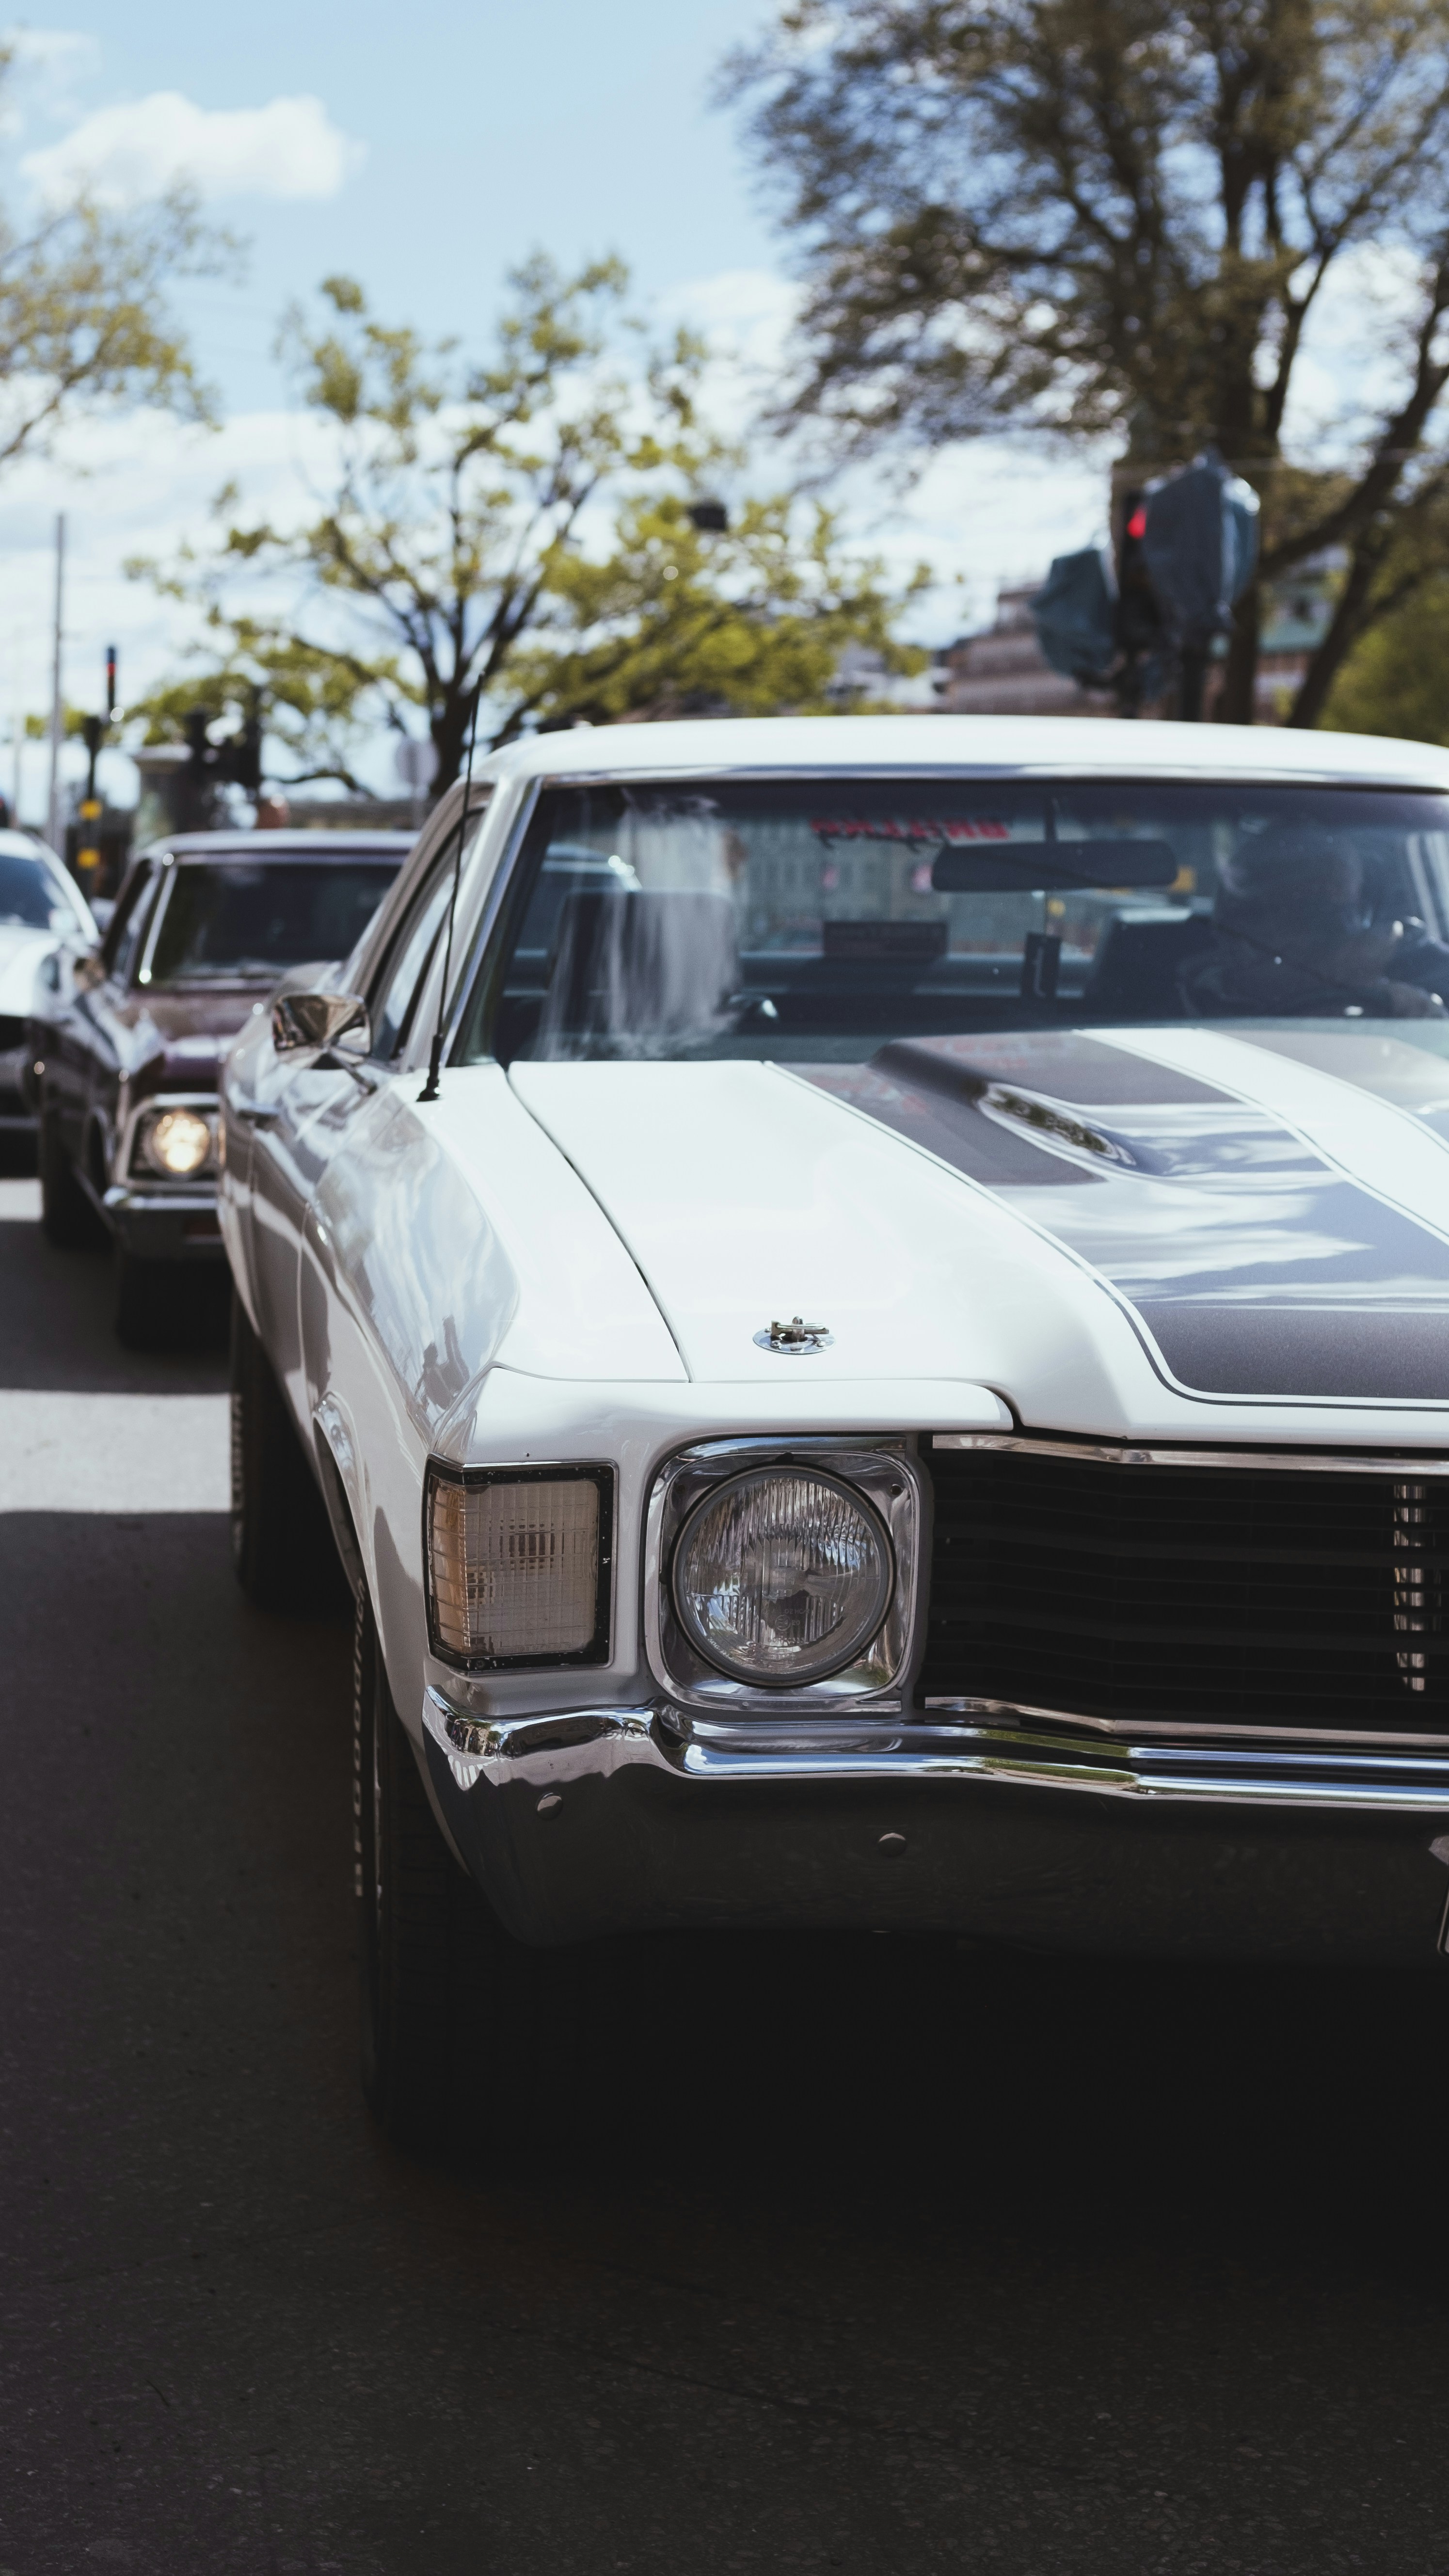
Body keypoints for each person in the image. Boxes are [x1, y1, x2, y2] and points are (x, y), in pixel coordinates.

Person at [1179, 821, 1449, 1017]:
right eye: (1307, 911)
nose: (1333, 933)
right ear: (1240, 922)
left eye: (1343, 913)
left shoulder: (1412, 966)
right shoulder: (1194, 998)